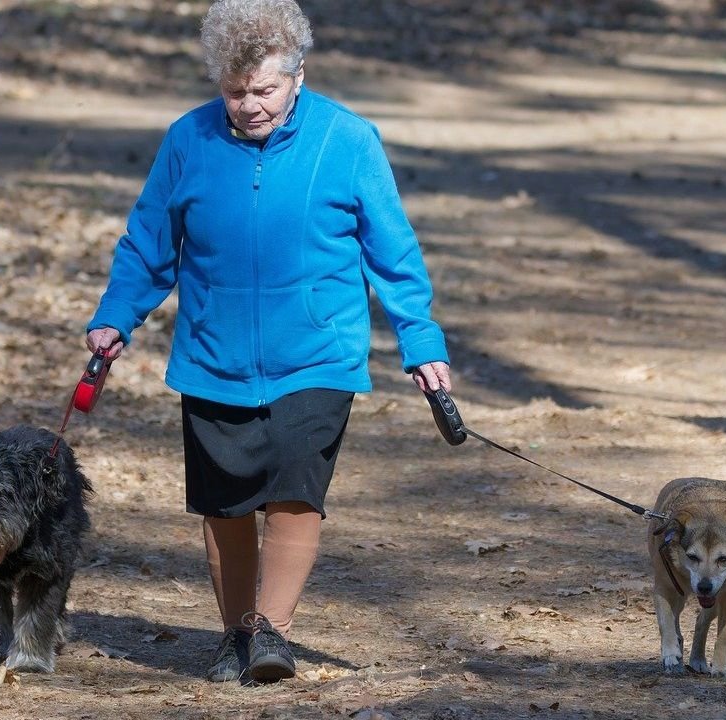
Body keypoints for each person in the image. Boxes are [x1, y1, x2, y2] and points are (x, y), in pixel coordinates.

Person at [84, 0, 451, 684]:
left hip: (317, 351)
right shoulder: (188, 140)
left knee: (293, 489)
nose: (249, 105)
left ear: (298, 77)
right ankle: (232, 635)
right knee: (225, 504)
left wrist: (420, 341)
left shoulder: (348, 139)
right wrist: (116, 315)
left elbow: (393, 251)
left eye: (264, 90)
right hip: (212, 352)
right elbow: (148, 244)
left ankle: (272, 631)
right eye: (234, 91)